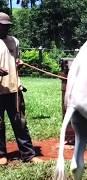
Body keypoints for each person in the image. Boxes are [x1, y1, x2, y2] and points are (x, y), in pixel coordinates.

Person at [0, 12, 42, 165]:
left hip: (14, 89)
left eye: (7, 26)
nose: (5, 28)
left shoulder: (14, 41)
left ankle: (28, 155)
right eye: (2, 26)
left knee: (20, 123)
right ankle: (1, 155)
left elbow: (15, 58)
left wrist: (19, 62)